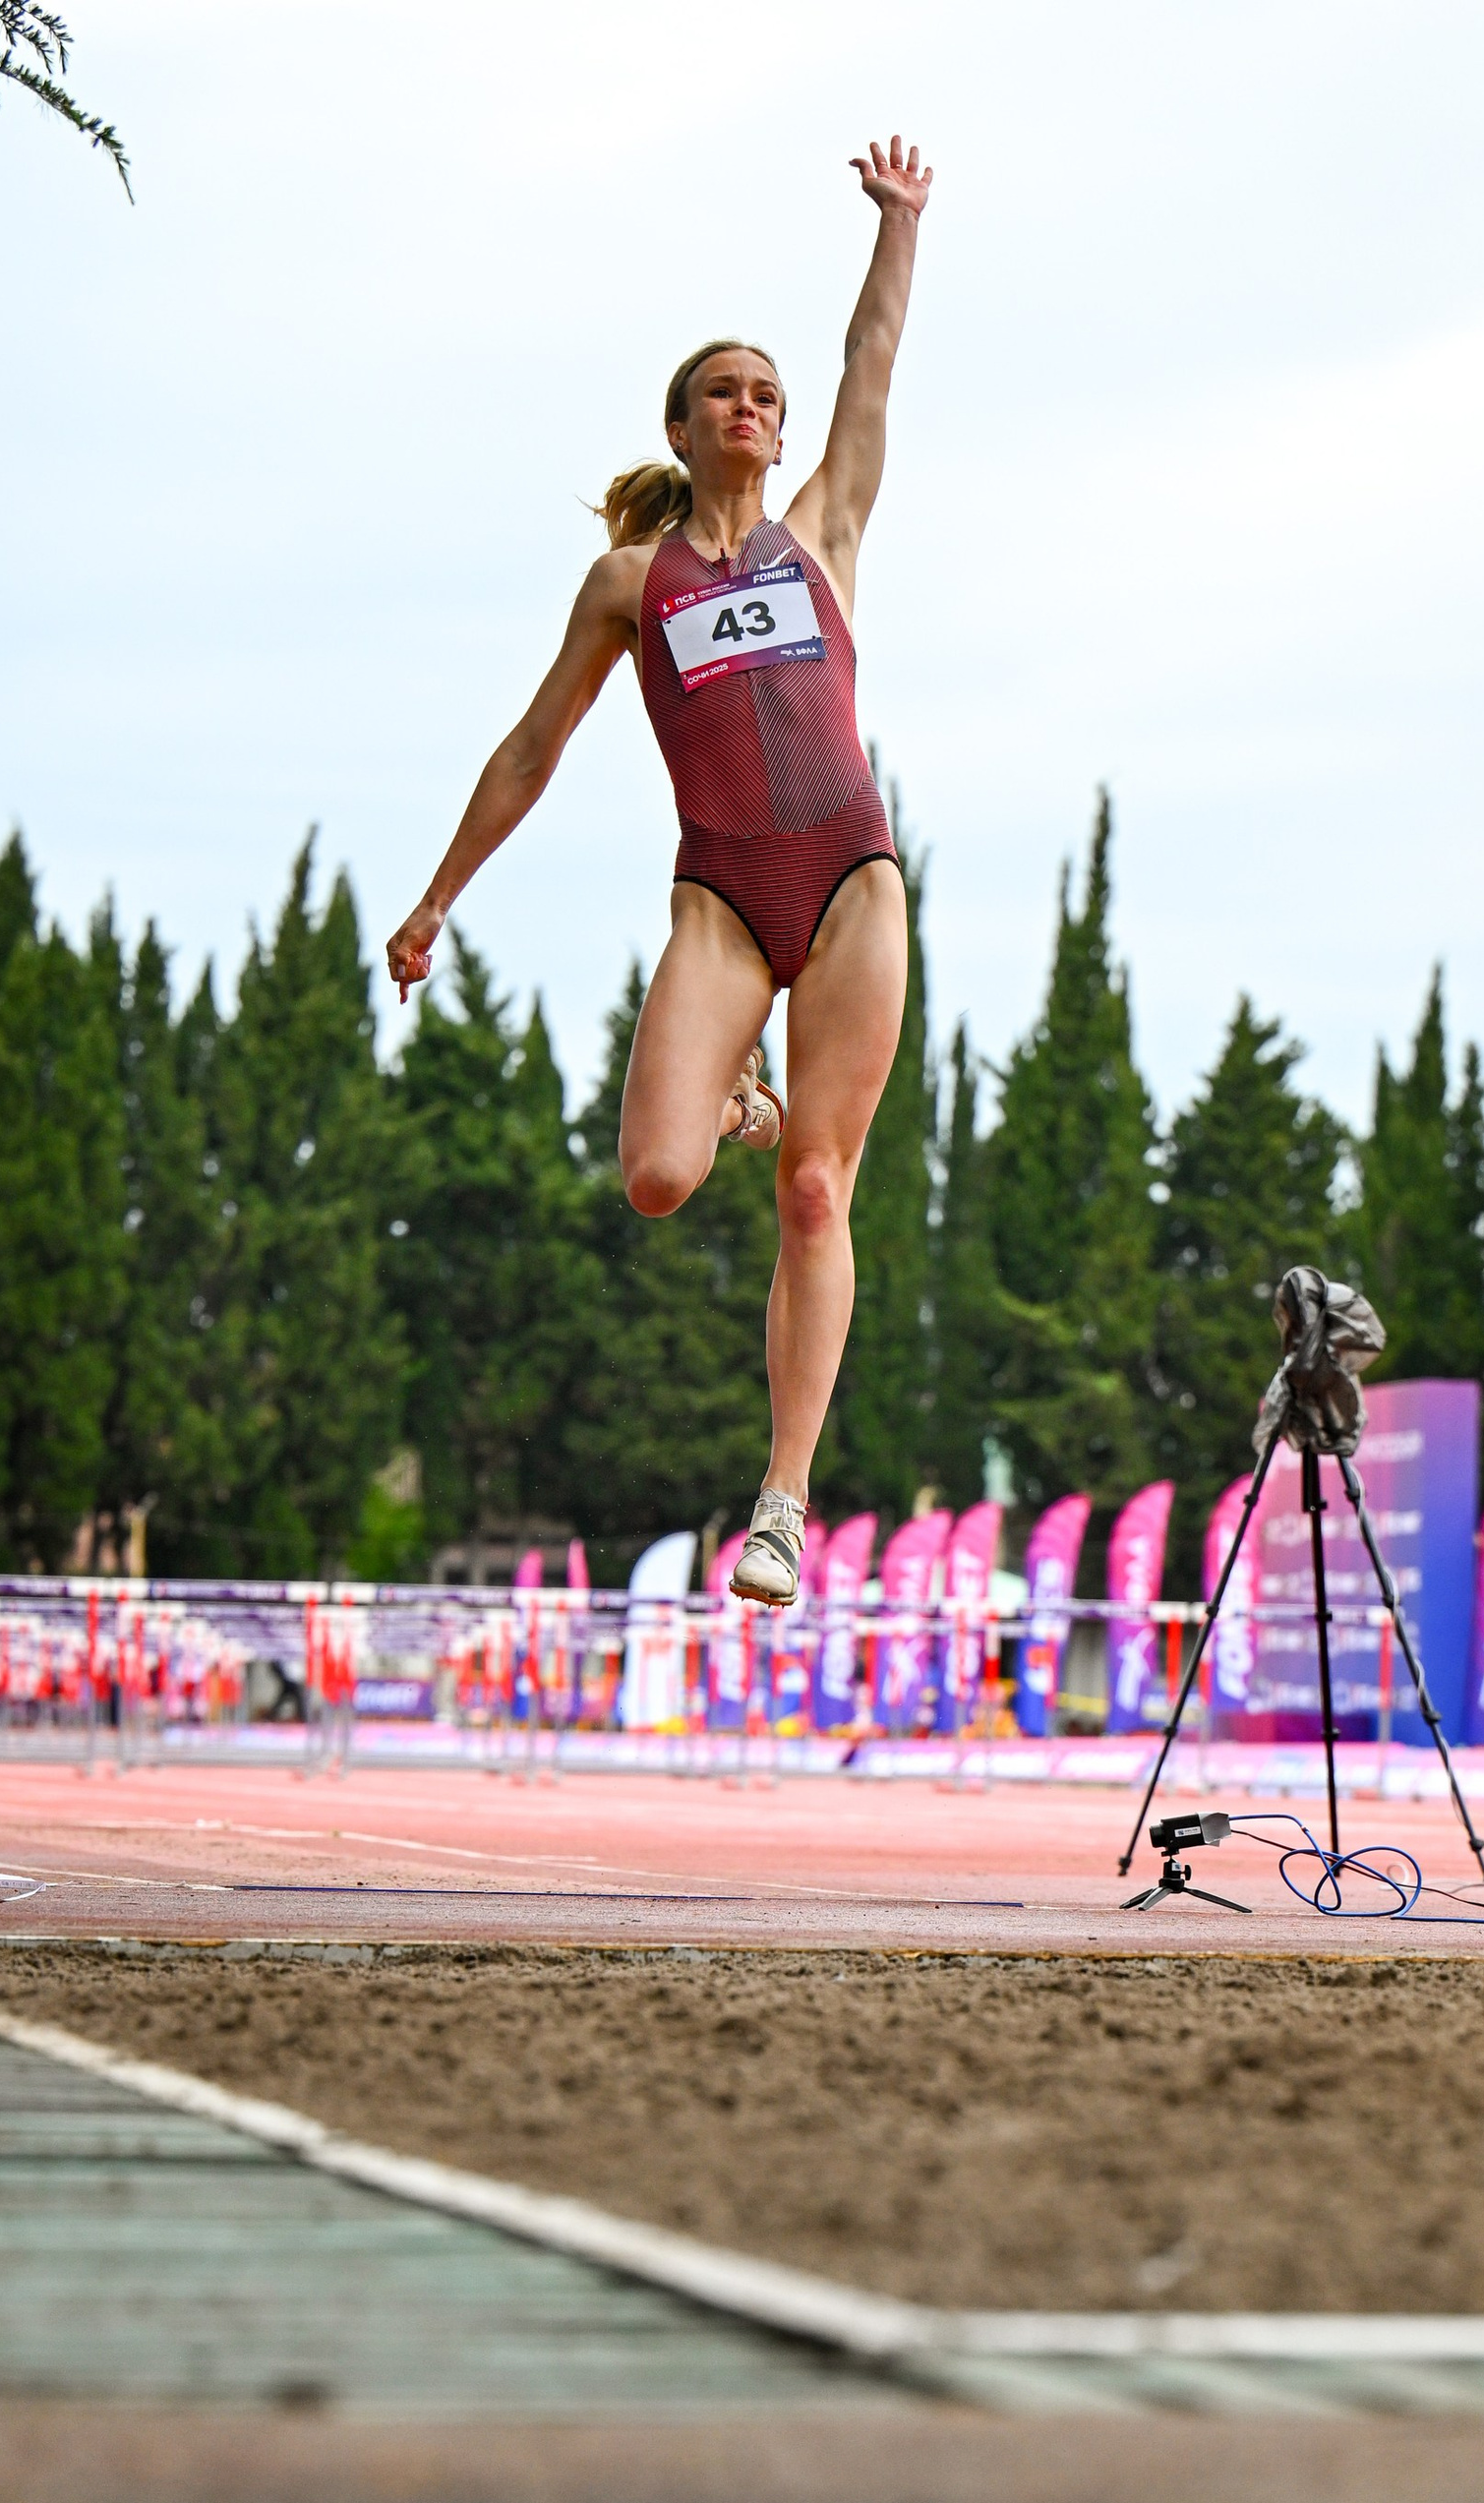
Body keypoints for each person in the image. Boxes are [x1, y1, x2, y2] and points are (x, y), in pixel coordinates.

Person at [386, 140, 934, 1611]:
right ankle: (743, 1102)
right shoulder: (634, 587)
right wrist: (442, 894)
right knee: (657, 1175)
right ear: (684, 430)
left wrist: (899, 225)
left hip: (850, 877)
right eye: (725, 393)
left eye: (766, 392)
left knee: (818, 1194)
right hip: (721, 899)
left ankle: (782, 1499)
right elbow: (529, 747)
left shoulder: (825, 532)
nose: (754, 406)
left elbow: (871, 352)